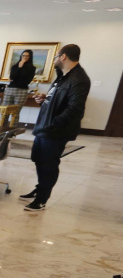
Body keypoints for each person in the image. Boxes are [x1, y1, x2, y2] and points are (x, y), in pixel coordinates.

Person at [20, 44, 90, 212]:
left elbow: (74, 108)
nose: (54, 60)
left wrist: (54, 122)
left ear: (63, 57)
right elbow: (59, 99)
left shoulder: (79, 79)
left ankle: (42, 199)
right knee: (38, 158)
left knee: (49, 164)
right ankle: (40, 188)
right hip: (45, 126)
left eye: (56, 56)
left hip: (57, 130)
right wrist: (45, 99)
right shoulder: (62, 76)